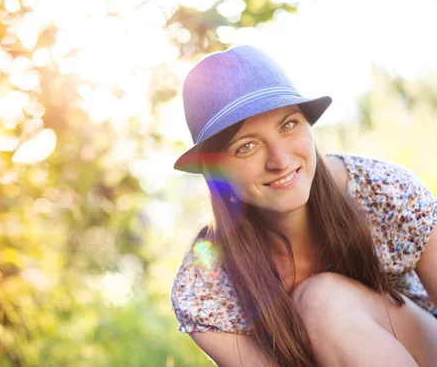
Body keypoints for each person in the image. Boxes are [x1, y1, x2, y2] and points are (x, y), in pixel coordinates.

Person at [170, 46, 437, 366]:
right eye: (247, 146)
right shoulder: (205, 288)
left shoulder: (382, 191)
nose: (280, 160)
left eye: (288, 125)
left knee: (323, 301)